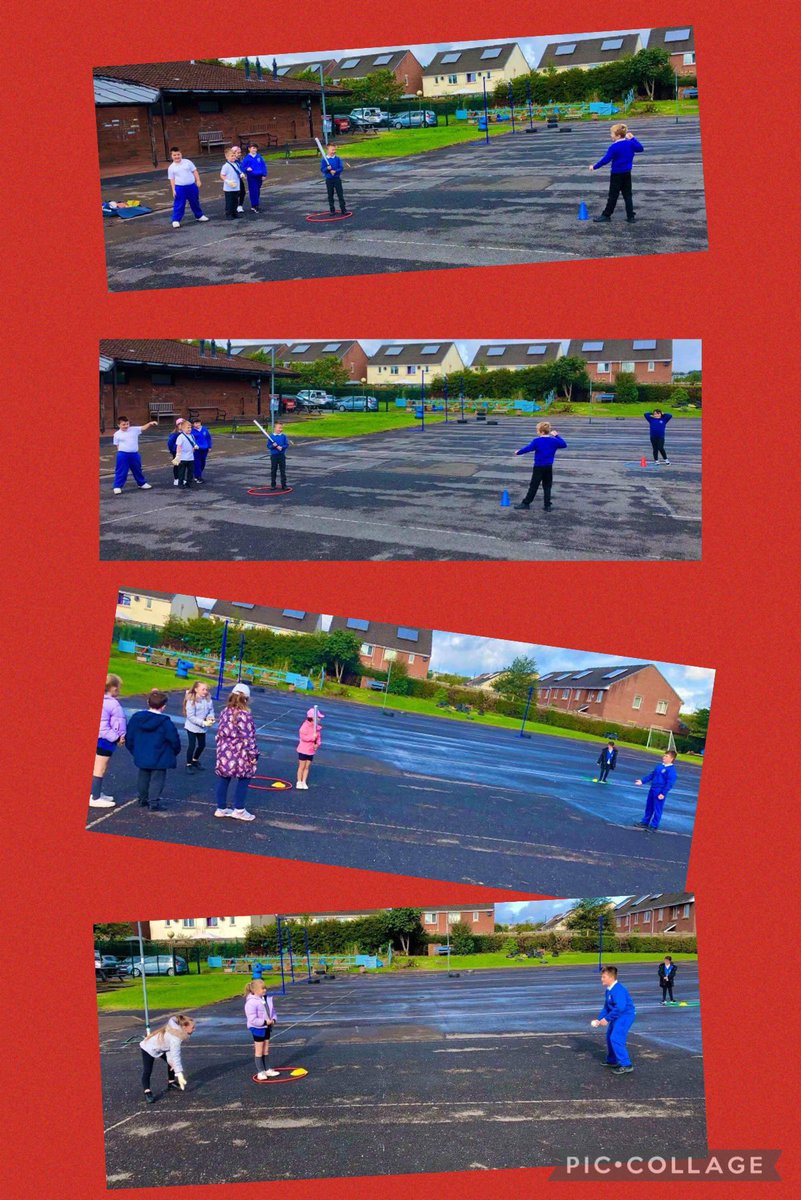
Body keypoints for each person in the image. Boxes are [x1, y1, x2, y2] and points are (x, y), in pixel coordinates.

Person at [125, 689, 181, 812]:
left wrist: (134, 750)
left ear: (148, 702)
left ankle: (142, 799)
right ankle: (154, 802)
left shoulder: (137, 718)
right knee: (157, 778)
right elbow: (174, 739)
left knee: (143, 776)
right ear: (163, 707)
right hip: (160, 754)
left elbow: (129, 736)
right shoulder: (166, 722)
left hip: (142, 752)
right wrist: (174, 751)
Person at [214, 683, 258, 821]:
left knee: (224, 778)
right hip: (240, 753)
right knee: (244, 778)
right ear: (246, 699)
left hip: (224, 750)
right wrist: (254, 754)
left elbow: (220, 732)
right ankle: (239, 809)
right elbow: (248, 737)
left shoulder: (224, 712)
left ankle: (221, 808)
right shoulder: (245, 715)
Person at [588, 123, 644, 223]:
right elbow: (640, 148)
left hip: (616, 174)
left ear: (618, 136)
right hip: (627, 173)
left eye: (612, 134)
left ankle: (606, 215)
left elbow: (605, 160)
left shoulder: (613, 147)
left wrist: (594, 166)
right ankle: (630, 216)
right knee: (627, 195)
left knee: (613, 195)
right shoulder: (630, 144)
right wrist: (633, 138)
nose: (611, 135)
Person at [591, 965, 636, 1074]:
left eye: (603, 977)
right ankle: (612, 1060)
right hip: (617, 1015)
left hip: (625, 1015)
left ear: (611, 978)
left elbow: (620, 1007)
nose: (601, 979)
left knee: (616, 1038)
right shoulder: (609, 990)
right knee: (609, 1037)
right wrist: (599, 1019)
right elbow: (607, 1007)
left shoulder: (618, 990)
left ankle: (626, 1064)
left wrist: (607, 1019)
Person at [513, 422, 567, 512]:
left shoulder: (537, 441)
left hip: (538, 466)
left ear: (541, 432)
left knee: (534, 486)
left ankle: (526, 503)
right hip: (548, 466)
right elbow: (564, 444)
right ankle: (547, 505)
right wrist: (557, 435)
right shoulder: (554, 441)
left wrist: (518, 452)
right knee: (547, 486)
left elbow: (528, 448)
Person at [140, 1015, 195, 1103]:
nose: (194, 1029)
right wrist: (179, 1073)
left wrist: (173, 1064)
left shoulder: (176, 1031)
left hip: (162, 1048)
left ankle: (171, 1082)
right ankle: (147, 1092)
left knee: (172, 1063)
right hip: (148, 1048)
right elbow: (175, 1055)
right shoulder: (175, 1038)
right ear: (184, 1027)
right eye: (192, 1027)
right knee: (147, 1070)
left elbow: (170, 1052)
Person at [91, 674, 127, 808]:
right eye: (118, 687)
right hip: (104, 740)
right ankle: (95, 797)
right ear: (112, 688)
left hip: (107, 740)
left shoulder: (109, 702)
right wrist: (117, 737)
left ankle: (97, 792)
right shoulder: (109, 703)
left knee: (102, 767)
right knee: (100, 768)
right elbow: (102, 727)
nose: (119, 690)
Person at [244, 978, 280, 1079]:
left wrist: (273, 1019)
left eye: (265, 988)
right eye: (262, 988)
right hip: (257, 1028)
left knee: (266, 1049)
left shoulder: (266, 999)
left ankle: (267, 1069)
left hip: (267, 1027)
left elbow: (272, 1011)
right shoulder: (251, 1002)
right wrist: (264, 1022)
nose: (264, 990)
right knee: (259, 1050)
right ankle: (260, 1071)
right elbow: (252, 1019)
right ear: (255, 990)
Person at [635, 750, 679, 832]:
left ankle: (654, 825)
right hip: (653, 789)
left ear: (672, 758)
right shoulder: (659, 766)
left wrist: (663, 793)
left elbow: (669, 783)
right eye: (664, 755)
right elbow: (651, 775)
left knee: (657, 808)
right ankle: (645, 822)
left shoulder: (671, 771)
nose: (664, 757)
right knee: (649, 806)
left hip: (660, 791)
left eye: (666, 756)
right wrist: (642, 781)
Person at [112, 417, 157, 494]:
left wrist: (150, 423)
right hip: (123, 454)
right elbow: (117, 445)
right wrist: (120, 453)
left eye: (127, 424)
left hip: (134, 454)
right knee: (121, 471)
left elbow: (143, 428)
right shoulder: (116, 434)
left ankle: (142, 483)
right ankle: (117, 486)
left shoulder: (134, 429)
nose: (126, 426)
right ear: (118, 425)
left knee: (137, 469)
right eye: (123, 424)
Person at [167, 147, 209, 229]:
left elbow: (194, 171)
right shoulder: (171, 167)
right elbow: (172, 179)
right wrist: (173, 190)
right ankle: (176, 220)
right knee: (179, 204)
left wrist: (198, 180)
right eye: (174, 155)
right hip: (180, 188)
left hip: (191, 186)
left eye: (178, 154)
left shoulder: (188, 162)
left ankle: (199, 216)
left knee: (194, 201)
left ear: (181, 154)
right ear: (171, 156)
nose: (177, 156)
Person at [183, 681, 215, 773]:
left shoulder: (208, 700)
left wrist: (210, 717)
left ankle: (195, 760)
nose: (205, 691)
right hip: (192, 727)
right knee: (192, 745)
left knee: (202, 745)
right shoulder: (191, 700)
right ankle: (188, 764)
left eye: (206, 689)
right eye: (203, 689)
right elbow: (191, 717)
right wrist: (203, 723)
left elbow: (211, 711)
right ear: (196, 690)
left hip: (202, 728)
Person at [296, 707, 323, 790]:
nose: (320, 719)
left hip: (311, 751)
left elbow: (318, 738)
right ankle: (299, 781)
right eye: (318, 717)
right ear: (312, 718)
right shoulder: (304, 726)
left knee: (307, 767)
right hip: (303, 750)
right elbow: (303, 737)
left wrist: (317, 744)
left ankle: (304, 781)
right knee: (302, 766)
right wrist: (312, 737)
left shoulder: (317, 728)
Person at [320, 144, 347, 215]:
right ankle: (332, 210)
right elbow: (322, 169)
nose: (334, 151)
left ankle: (343, 209)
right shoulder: (324, 160)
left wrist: (335, 171)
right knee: (330, 195)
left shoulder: (337, 159)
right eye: (332, 150)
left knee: (340, 194)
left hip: (337, 179)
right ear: (327, 150)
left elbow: (341, 168)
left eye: (335, 149)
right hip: (329, 179)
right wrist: (327, 169)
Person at [241, 143, 268, 212]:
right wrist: (247, 169)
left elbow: (263, 166)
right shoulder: (247, 158)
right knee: (253, 191)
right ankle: (254, 205)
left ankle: (256, 204)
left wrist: (264, 174)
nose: (254, 150)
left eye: (255, 148)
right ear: (249, 149)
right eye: (252, 148)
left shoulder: (259, 157)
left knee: (257, 190)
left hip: (259, 176)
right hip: (252, 177)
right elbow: (242, 167)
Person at [173, 420, 198, 488]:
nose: (189, 429)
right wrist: (178, 456)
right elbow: (178, 446)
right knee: (181, 472)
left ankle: (189, 482)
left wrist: (194, 447)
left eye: (190, 427)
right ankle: (180, 483)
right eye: (188, 428)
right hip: (182, 457)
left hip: (190, 457)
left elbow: (193, 443)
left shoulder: (192, 436)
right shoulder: (181, 437)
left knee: (190, 471)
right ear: (183, 428)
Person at [220, 148, 244, 219]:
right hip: (229, 188)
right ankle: (229, 214)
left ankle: (235, 213)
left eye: (234, 155)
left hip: (236, 186)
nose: (233, 157)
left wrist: (241, 174)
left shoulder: (236, 164)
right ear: (227, 157)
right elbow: (222, 175)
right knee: (229, 201)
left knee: (235, 200)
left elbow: (238, 171)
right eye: (231, 156)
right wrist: (227, 181)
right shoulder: (226, 166)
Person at [266, 422, 291, 490]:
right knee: (273, 470)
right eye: (279, 428)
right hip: (274, 456)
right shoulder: (271, 436)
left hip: (281, 455)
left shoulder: (283, 436)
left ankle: (284, 485)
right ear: (275, 428)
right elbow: (268, 446)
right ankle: (273, 485)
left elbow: (286, 444)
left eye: (281, 428)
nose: (281, 429)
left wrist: (281, 447)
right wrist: (273, 446)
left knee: (282, 470)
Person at [167, 417, 184, 487]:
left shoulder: (185, 433)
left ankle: (181, 478)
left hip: (184, 452)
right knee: (177, 465)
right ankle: (176, 479)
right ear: (177, 425)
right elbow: (170, 443)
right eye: (181, 424)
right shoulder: (174, 434)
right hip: (176, 452)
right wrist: (173, 451)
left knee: (183, 465)